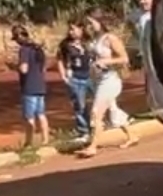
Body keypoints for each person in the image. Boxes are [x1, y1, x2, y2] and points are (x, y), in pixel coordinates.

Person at [78, 8, 137, 158]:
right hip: (97, 80)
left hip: (110, 79)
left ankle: (93, 146)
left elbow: (124, 59)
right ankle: (132, 135)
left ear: (99, 21)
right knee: (113, 110)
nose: (88, 26)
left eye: (90, 22)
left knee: (96, 113)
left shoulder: (110, 38)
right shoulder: (94, 39)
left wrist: (107, 61)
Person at [12, 25, 50, 147]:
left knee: (29, 117)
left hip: (29, 86)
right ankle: (45, 140)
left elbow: (24, 69)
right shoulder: (38, 49)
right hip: (40, 85)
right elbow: (43, 68)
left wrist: (13, 67)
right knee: (41, 114)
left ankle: (29, 142)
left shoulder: (24, 50)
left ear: (19, 37)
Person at [56, 21, 93, 143]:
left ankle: (98, 125)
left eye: (74, 29)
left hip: (91, 76)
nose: (71, 32)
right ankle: (84, 131)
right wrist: (64, 76)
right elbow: (60, 60)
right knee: (80, 105)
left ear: (81, 29)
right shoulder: (65, 45)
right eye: (69, 29)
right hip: (76, 78)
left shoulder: (88, 42)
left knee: (98, 101)